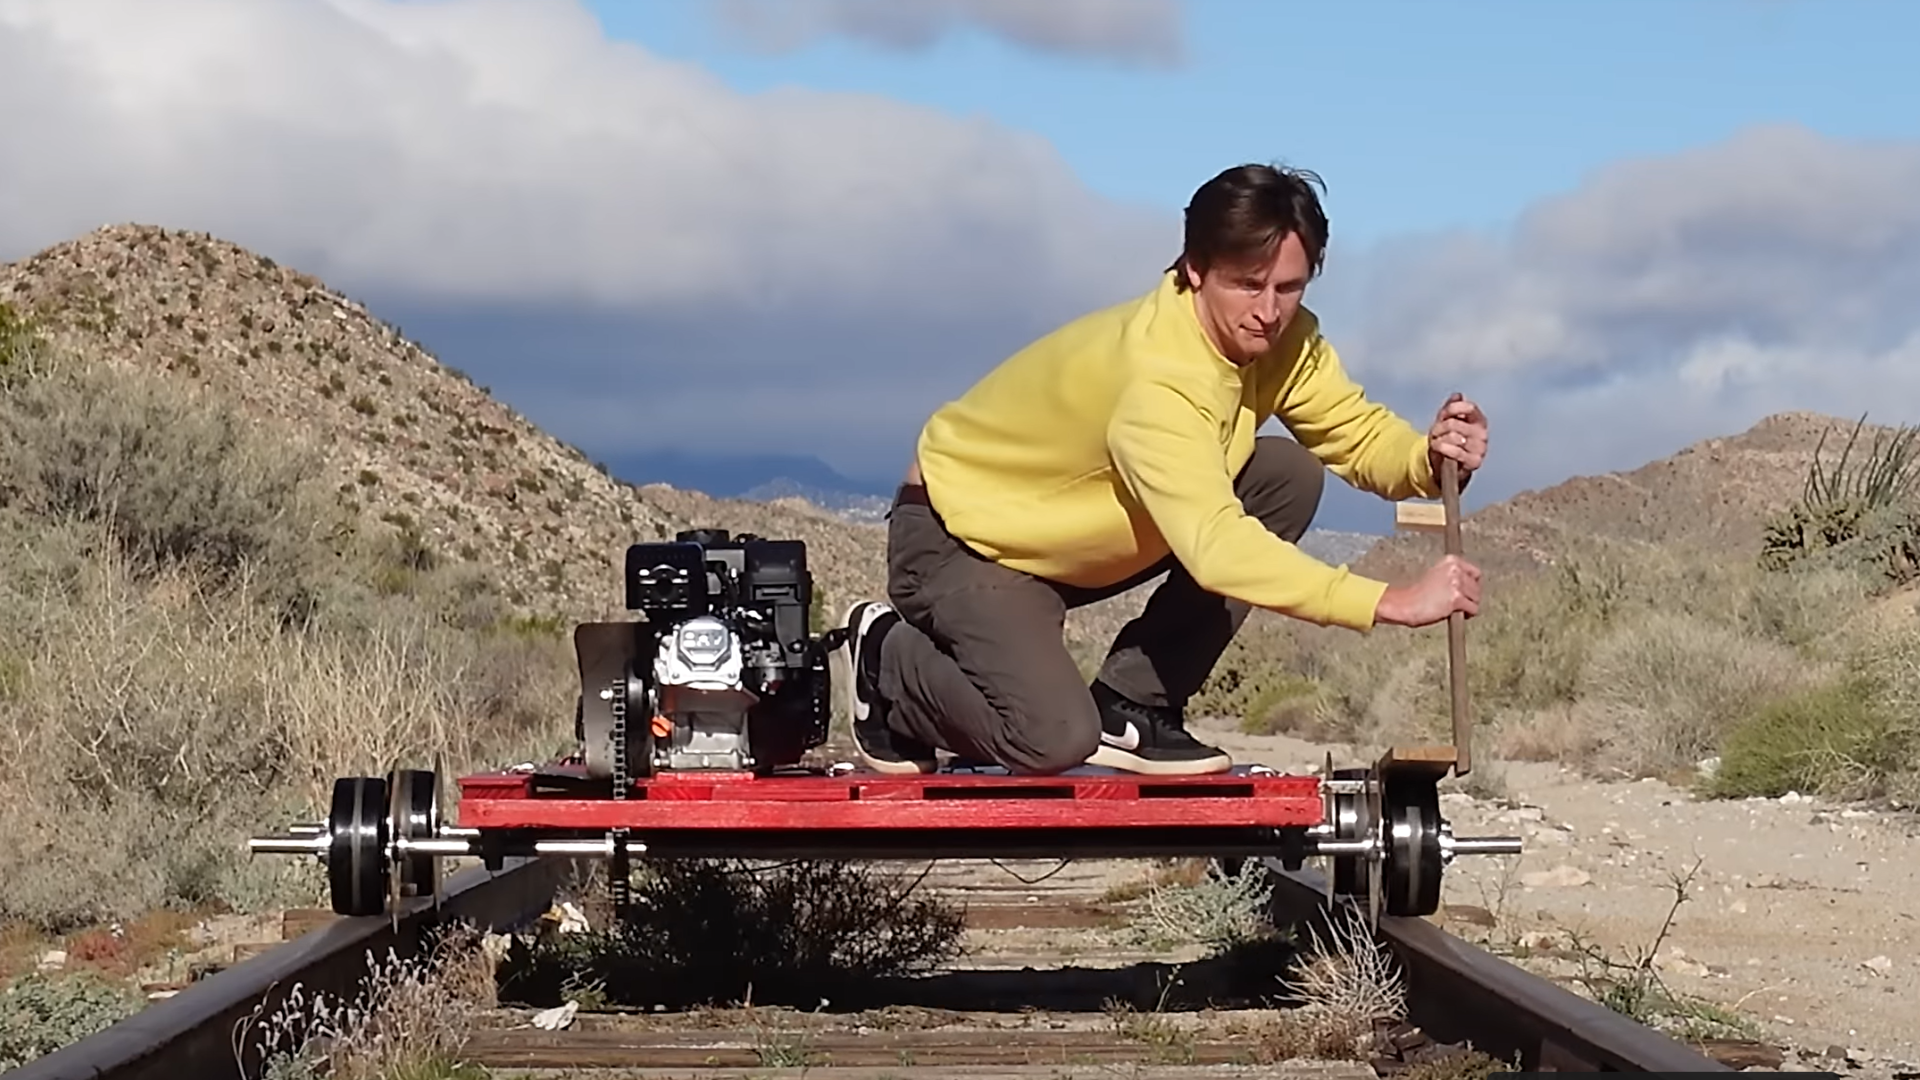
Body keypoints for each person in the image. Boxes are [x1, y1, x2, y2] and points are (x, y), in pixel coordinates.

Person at [837, 163, 1488, 778]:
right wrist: (1390, 601)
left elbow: (1354, 431)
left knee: (1286, 473)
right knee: (1052, 736)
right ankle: (885, 661)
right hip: (960, 542)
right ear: (1195, 269)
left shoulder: (1282, 342)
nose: (1269, 309)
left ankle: (1134, 704)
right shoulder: (1161, 381)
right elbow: (1218, 549)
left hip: (1058, 539)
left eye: (1288, 287)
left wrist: (1425, 459)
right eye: (1247, 284)